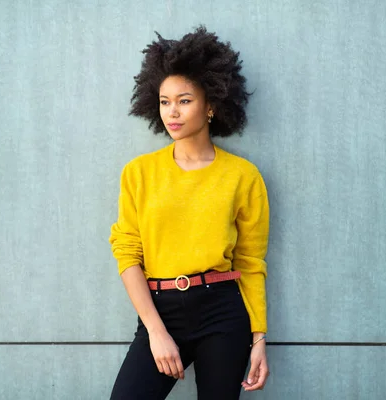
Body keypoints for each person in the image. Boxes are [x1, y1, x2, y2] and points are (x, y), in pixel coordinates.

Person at [108, 26, 270, 400]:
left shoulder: (242, 176)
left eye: (184, 100)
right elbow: (128, 252)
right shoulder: (139, 173)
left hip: (223, 313)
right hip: (160, 310)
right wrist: (155, 331)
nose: (172, 112)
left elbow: (250, 260)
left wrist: (258, 337)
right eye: (165, 102)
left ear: (211, 104)